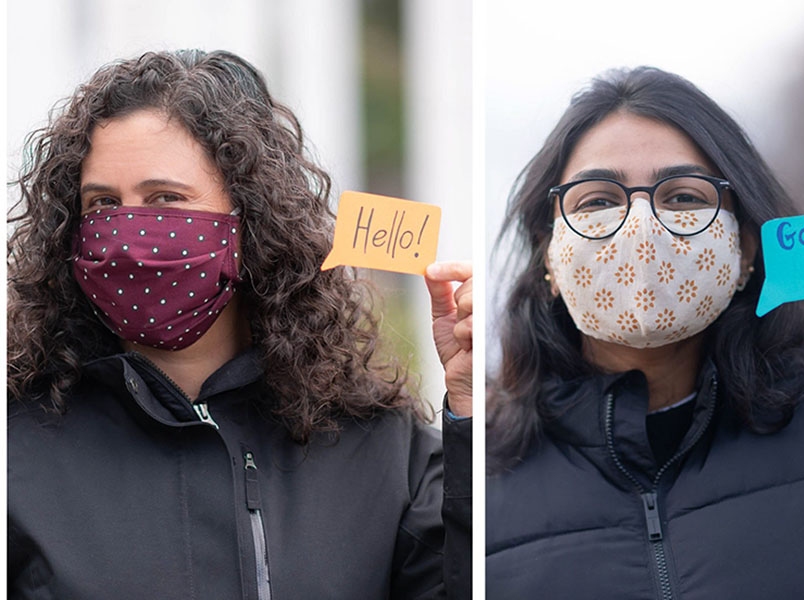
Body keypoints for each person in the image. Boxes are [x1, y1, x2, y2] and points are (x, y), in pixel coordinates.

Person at [7, 49, 472, 599]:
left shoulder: (384, 448)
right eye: (103, 204)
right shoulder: (17, 448)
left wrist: (469, 411)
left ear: (251, 218)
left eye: (166, 199)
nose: (128, 235)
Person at [486, 66, 804, 599]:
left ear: (747, 248)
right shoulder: (486, 484)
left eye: (683, 197)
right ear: (550, 253)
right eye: (598, 201)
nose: (642, 230)